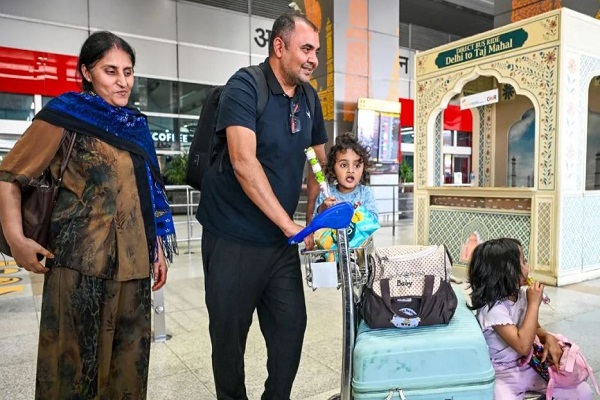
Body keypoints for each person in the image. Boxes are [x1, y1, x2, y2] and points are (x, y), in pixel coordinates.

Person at [0, 31, 177, 399]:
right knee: (73, 373)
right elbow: (8, 177)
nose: (122, 81)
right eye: (110, 71)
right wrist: (17, 240)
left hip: (133, 271)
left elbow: (145, 194)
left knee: (126, 372)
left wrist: (157, 248)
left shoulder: (136, 126)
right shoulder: (65, 116)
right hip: (79, 268)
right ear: (86, 72)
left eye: (128, 72)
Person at [196, 12, 328, 400]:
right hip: (232, 237)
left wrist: (316, 209)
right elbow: (242, 161)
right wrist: (290, 225)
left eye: (317, 51)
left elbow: (316, 159)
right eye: (306, 49)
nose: (313, 59)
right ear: (279, 47)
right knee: (229, 339)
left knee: (291, 328)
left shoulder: (308, 97)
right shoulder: (245, 85)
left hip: (279, 243)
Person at [468, 238, 593, 399]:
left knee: (583, 392)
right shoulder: (493, 309)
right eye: (524, 262)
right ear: (507, 271)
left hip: (528, 365)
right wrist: (534, 304)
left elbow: (536, 329)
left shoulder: (520, 295)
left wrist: (548, 337)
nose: (528, 267)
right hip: (503, 373)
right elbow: (523, 346)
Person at [314, 132, 377, 219]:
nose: (351, 171)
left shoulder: (366, 193)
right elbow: (316, 222)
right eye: (344, 165)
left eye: (357, 166)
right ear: (333, 168)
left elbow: (374, 220)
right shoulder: (326, 194)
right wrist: (322, 209)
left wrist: (356, 212)